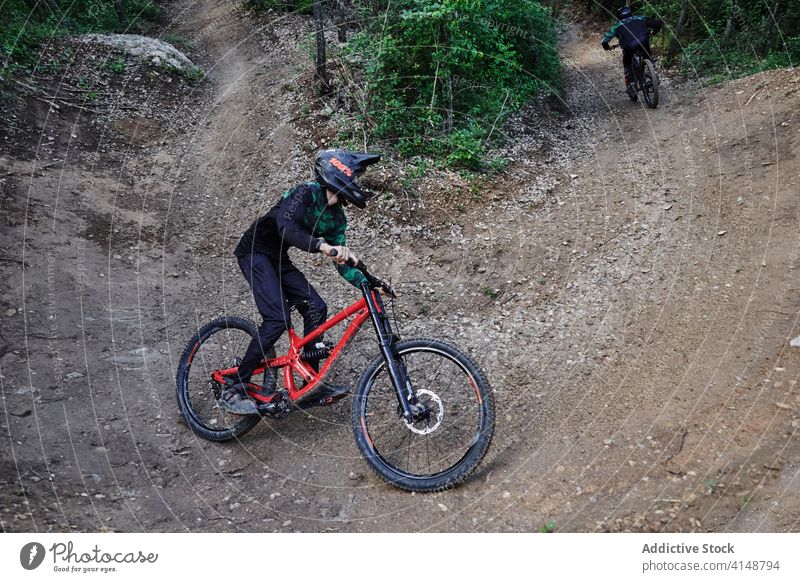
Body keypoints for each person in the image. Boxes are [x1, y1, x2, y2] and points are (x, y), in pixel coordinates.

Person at [220, 149, 382, 415]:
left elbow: (341, 262)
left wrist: (369, 283)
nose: (357, 182)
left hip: (278, 259)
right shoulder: (305, 193)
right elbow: (286, 226)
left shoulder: (336, 218)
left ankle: (310, 383)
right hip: (255, 252)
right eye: (356, 176)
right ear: (339, 173)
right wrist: (322, 245)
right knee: (278, 319)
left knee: (316, 307)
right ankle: (234, 385)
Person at [601, 5, 663, 101]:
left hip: (629, 45)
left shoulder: (617, 26)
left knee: (627, 62)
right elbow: (658, 23)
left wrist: (607, 47)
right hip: (644, 40)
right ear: (630, 12)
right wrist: (653, 33)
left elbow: (604, 40)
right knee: (647, 54)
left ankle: (632, 83)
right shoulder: (640, 18)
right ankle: (652, 71)